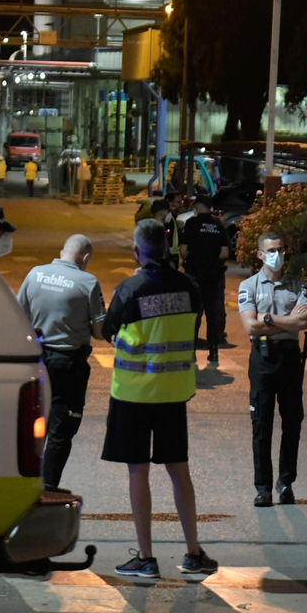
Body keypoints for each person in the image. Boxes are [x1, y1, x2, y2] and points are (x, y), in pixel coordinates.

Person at [102, 218, 218, 579]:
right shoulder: (189, 287)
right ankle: (193, 553)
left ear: (137, 250)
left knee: (138, 472)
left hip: (134, 394)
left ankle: (146, 558)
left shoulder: (129, 289)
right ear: (167, 249)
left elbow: (108, 332)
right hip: (173, 394)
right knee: (178, 471)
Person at [17, 234, 106, 491]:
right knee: (60, 431)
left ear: (61, 251)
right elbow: (100, 332)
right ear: (86, 258)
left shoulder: (35, 274)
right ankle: (47, 489)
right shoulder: (87, 282)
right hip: (69, 364)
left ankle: (24, 487)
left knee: (32, 425)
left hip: (36, 360)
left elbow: (19, 314)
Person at [237, 232, 307, 507]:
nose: (276, 254)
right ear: (259, 254)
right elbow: (251, 326)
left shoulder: (296, 285)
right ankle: (263, 488)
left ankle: (286, 483)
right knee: (261, 425)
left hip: (290, 359)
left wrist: (267, 317)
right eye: (270, 250)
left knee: (292, 422)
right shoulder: (249, 285)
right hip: (263, 358)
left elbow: (303, 321)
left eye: (280, 249)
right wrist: (286, 321)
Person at [181, 196, 231, 362]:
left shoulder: (191, 224)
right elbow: (224, 253)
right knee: (212, 314)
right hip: (213, 275)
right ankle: (213, 351)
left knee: (194, 313)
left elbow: (183, 250)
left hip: (195, 274)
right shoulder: (218, 225)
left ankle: (191, 351)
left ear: (198, 206)